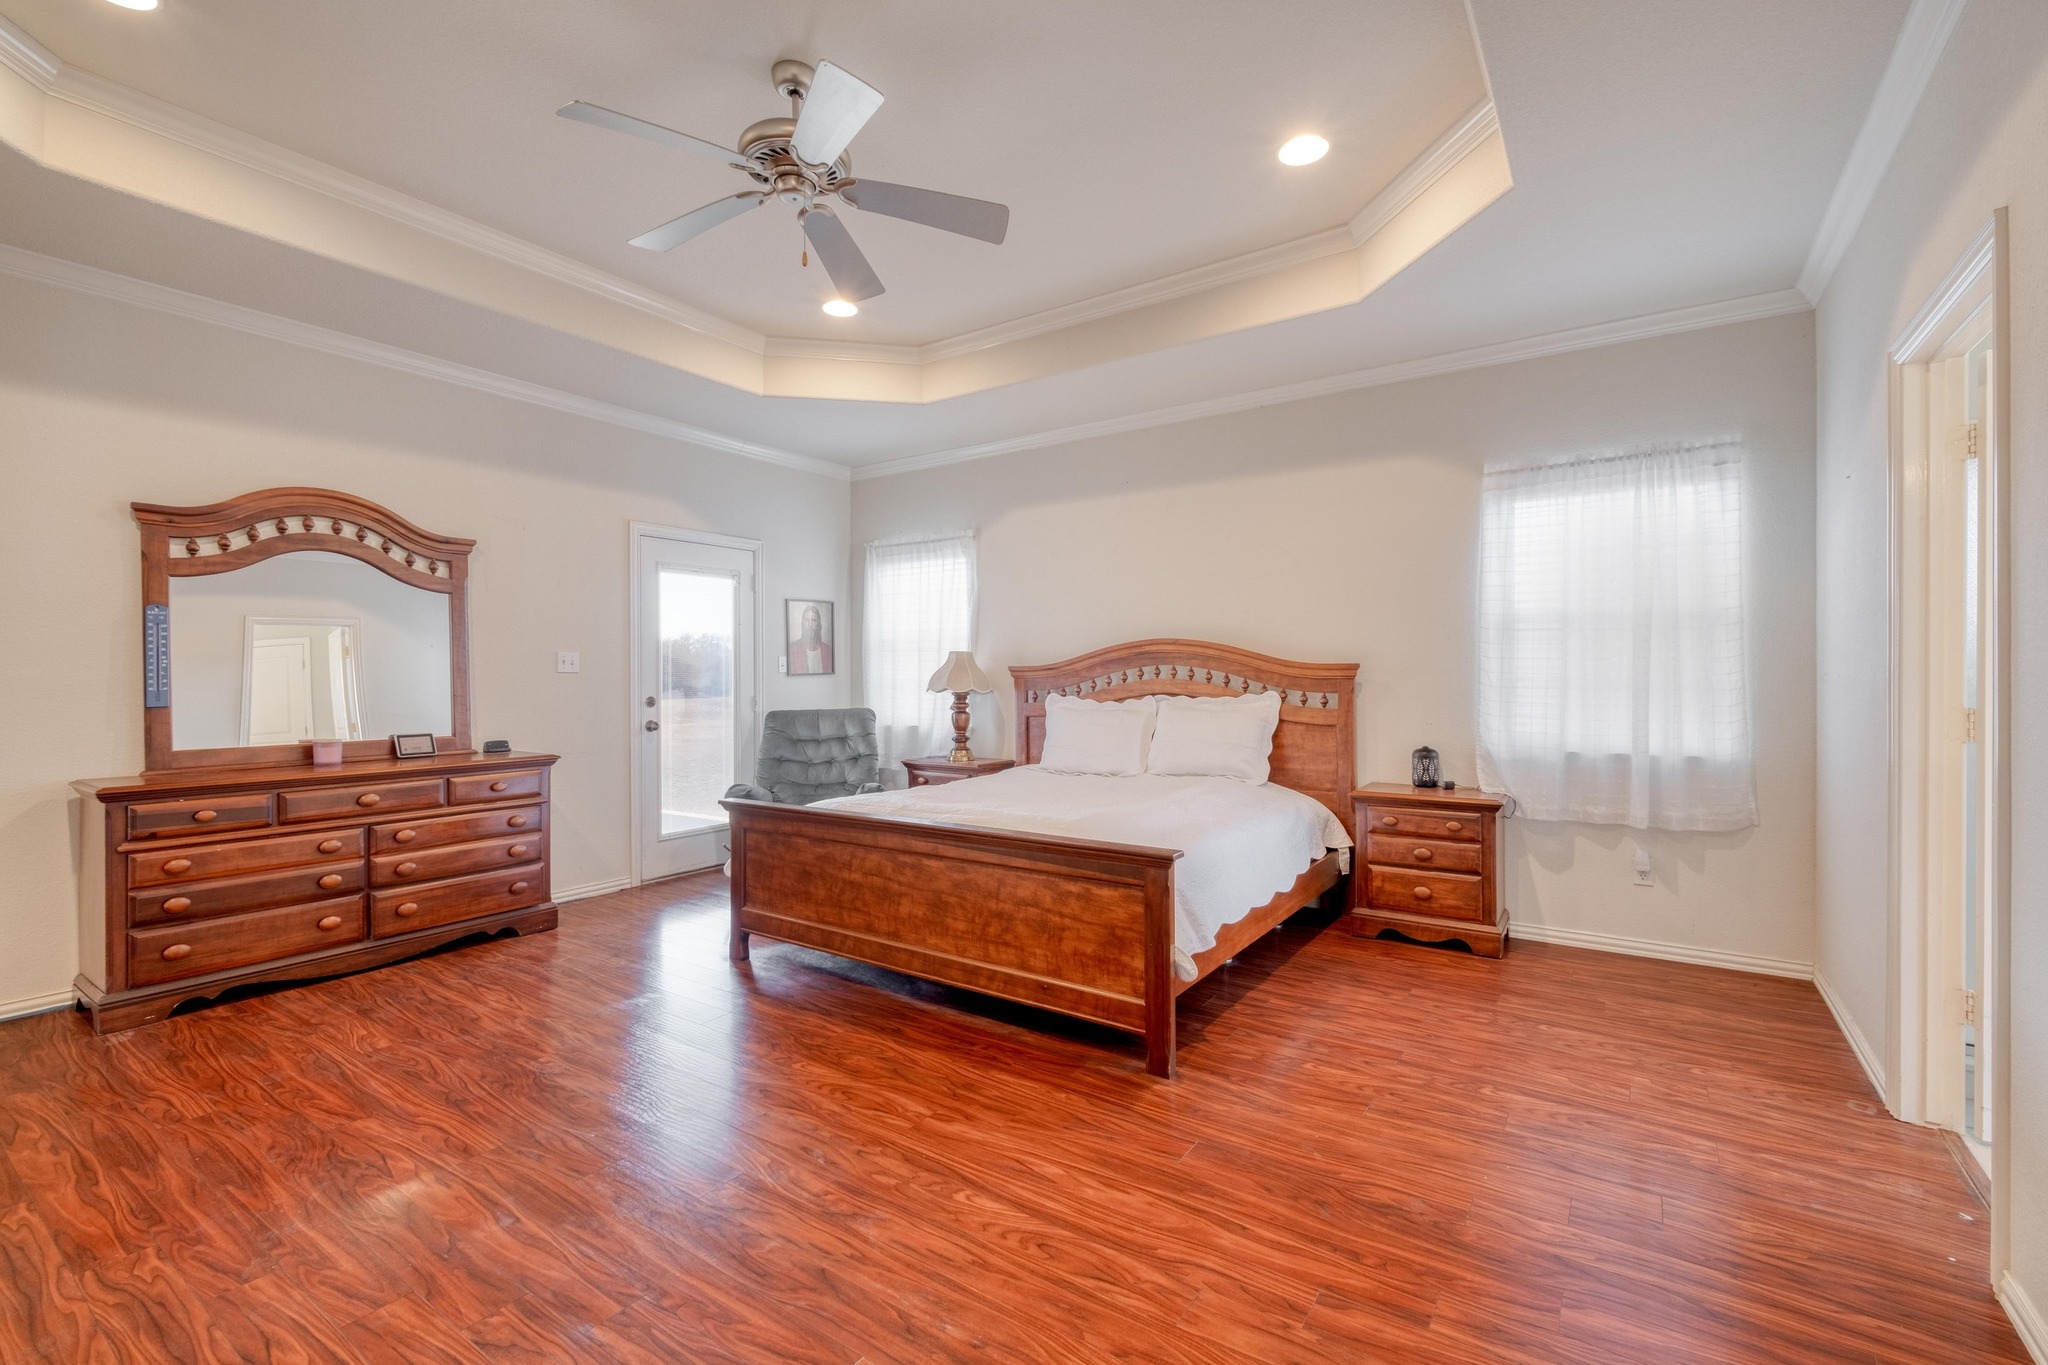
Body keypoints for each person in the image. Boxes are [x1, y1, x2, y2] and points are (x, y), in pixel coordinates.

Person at [788, 603, 832, 674]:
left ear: (818, 624)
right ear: (802, 624)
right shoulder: (793, 649)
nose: (810, 625)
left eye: (814, 620)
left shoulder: (828, 650)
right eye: (807, 620)